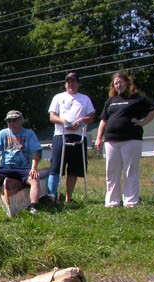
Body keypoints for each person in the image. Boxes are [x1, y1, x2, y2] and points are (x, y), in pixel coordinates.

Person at [94, 71, 154, 208]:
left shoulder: (137, 98)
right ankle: (112, 202)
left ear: (127, 83)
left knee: (130, 170)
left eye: (120, 82)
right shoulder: (110, 101)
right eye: (115, 83)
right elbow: (103, 120)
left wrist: (143, 122)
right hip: (111, 140)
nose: (118, 85)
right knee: (111, 172)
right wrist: (99, 138)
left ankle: (130, 201)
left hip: (131, 140)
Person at [47, 72, 96, 204]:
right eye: (68, 82)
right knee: (56, 167)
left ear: (78, 84)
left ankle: (68, 198)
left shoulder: (85, 99)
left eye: (73, 82)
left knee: (74, 170)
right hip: (61, 135)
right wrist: (64, 123)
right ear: (65, 84)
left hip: (79, 136)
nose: (71, 84)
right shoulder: (58, 97)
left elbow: (91, 116)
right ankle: (52, 196)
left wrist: (82, 121)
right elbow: (52, 117)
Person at [0, 110, 43, 214]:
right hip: (6, 168)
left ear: (21, 121)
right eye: (9, 121)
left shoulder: (29, 133)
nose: (11, 123)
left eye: (14, 121)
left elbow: (36, 153)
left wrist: (33, 168)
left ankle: (34, 206)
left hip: (24, 168)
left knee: (34, 179)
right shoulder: (3, 133)